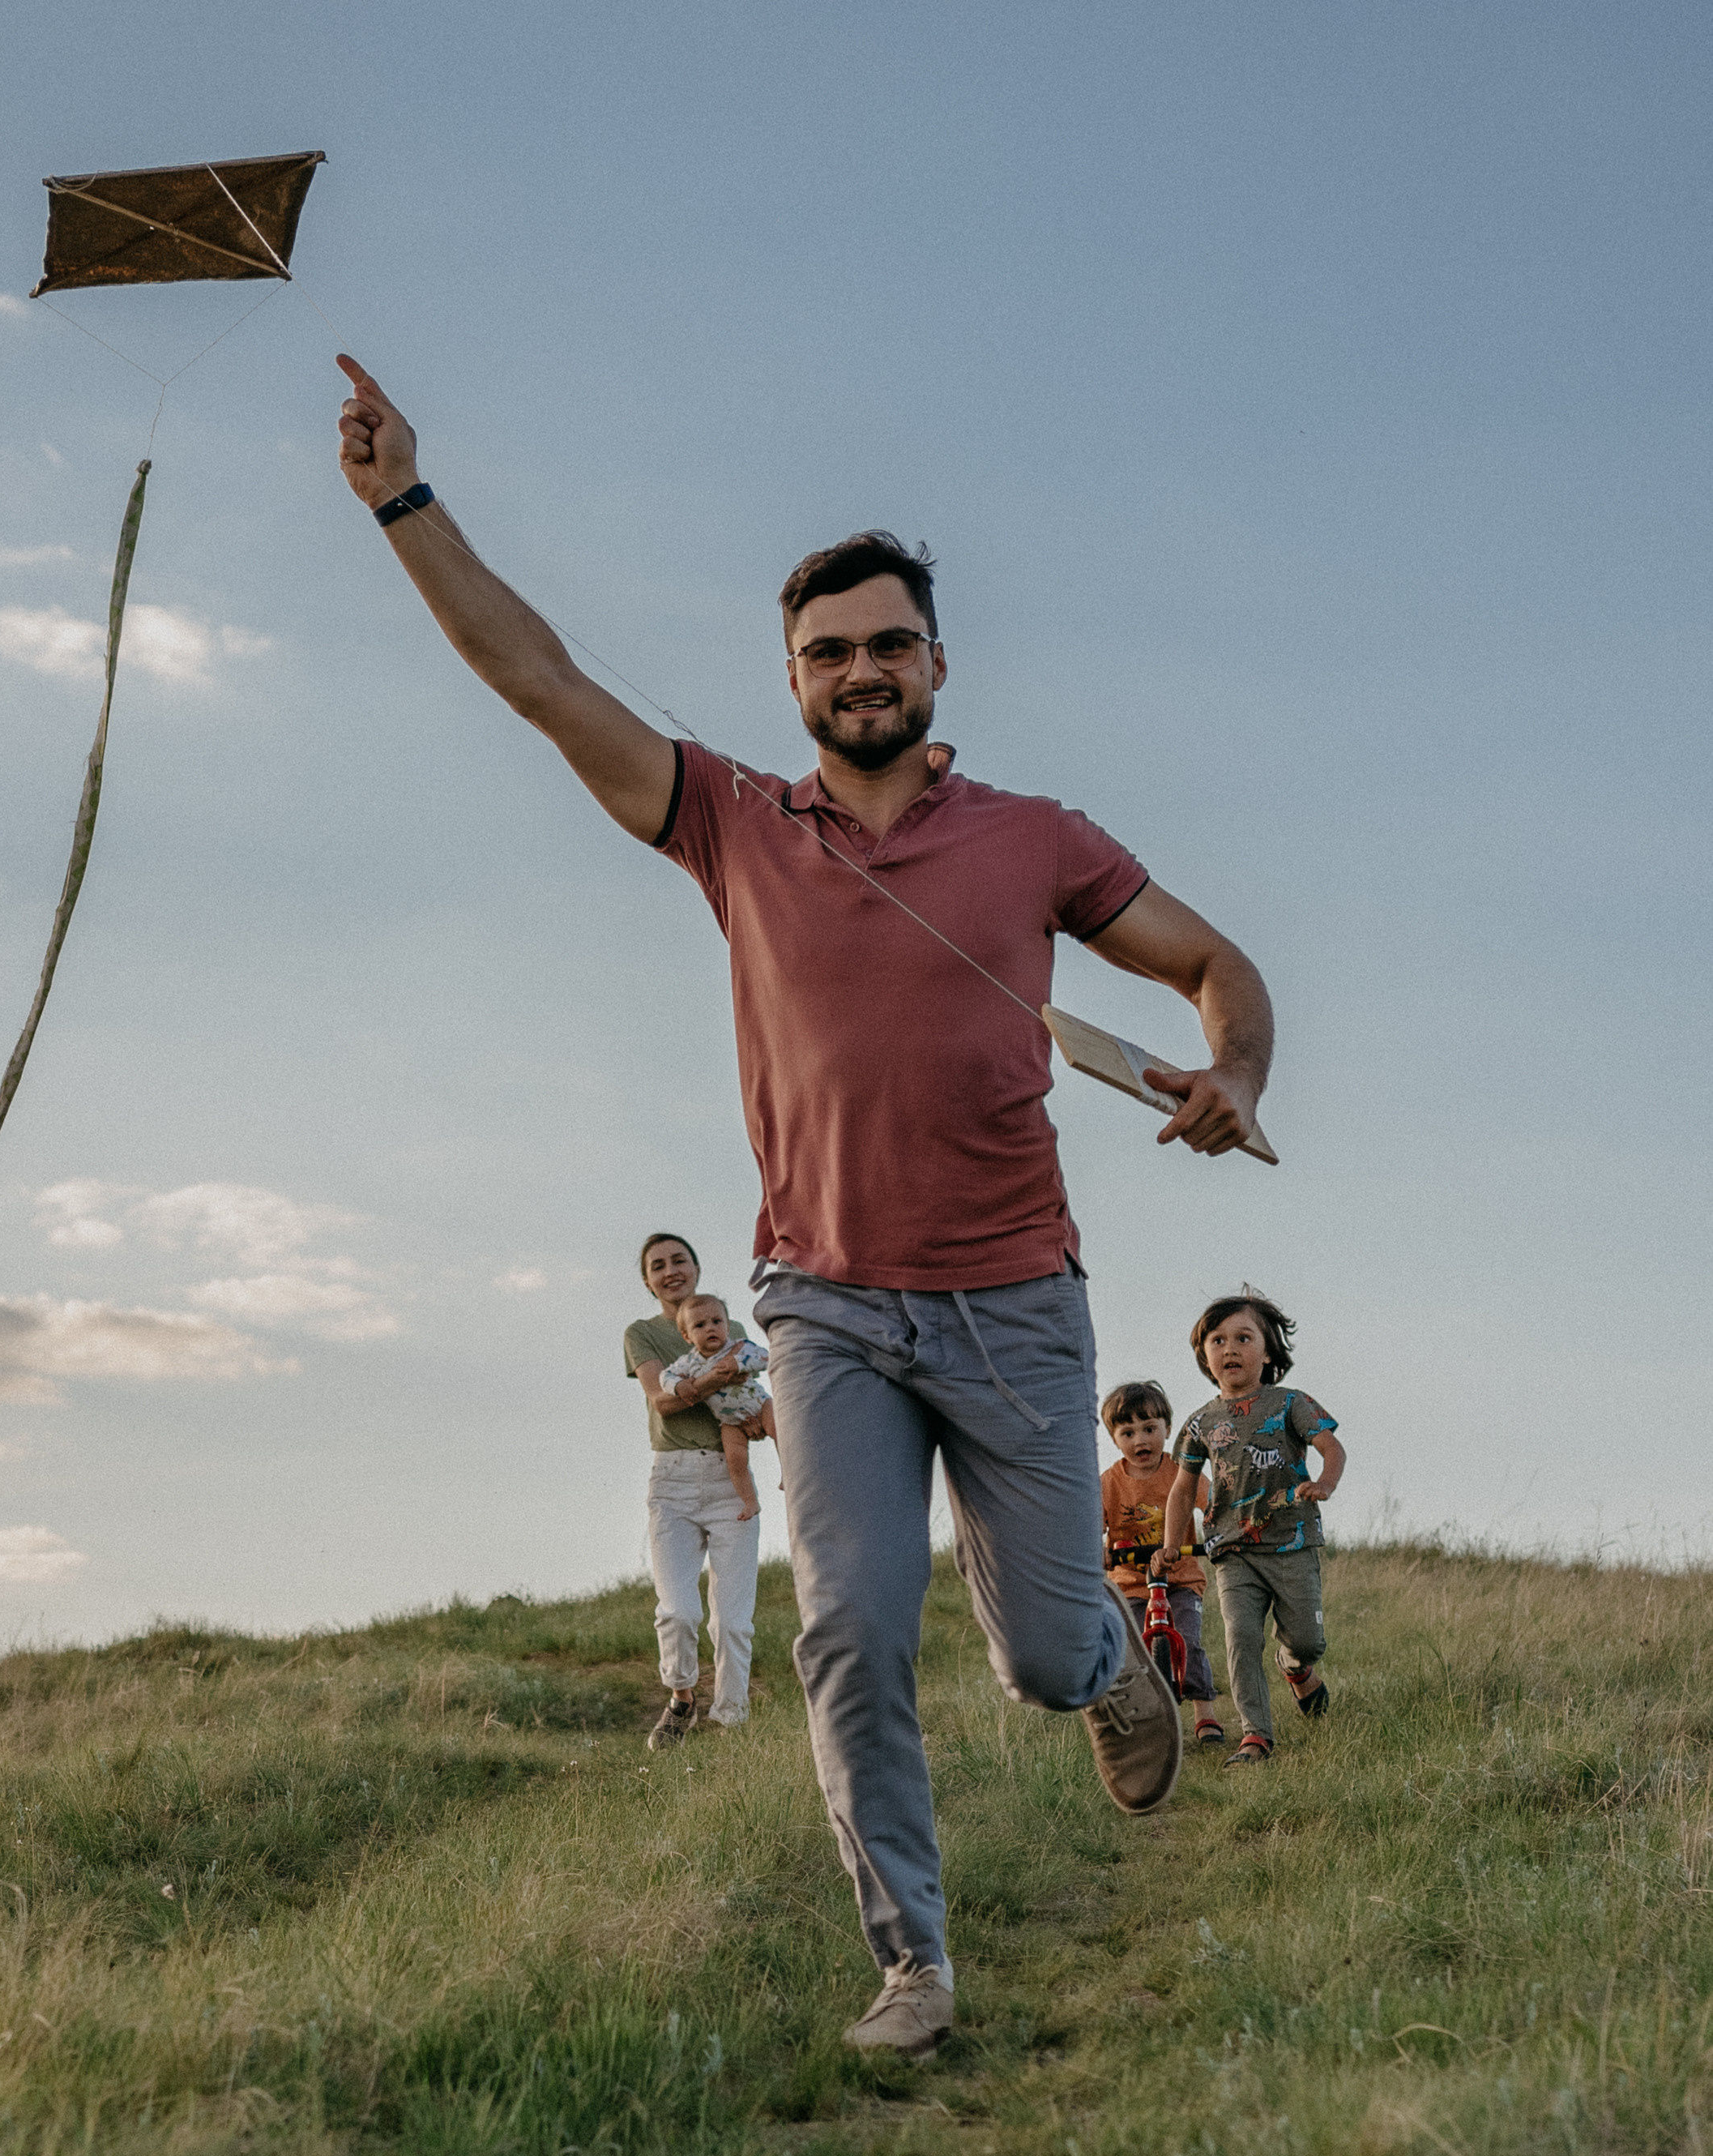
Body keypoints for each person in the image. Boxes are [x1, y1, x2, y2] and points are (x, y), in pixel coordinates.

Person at [337, 361, 1275, 2056]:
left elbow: (1214, 967)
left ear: (935, 662)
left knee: (1043, 1650)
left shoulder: (1036, 839)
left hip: (1012, 1304)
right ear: (792, 681)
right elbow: (535, 677)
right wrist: (408, 504)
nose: (861, 671)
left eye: (887, 644)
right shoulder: (730, 825)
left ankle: (1106, 1674)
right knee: (846, 1624)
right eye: (827, 652)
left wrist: (1237, 1076)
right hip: (823, 1303)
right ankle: (911, 1959)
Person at [1163, 1292, 1344, 1765]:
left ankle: (1295, 1665)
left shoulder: (1290, 1403)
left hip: (1292, 1544)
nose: (1230, 1349)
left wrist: (1324, 1484)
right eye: (1217, 1340)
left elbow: (1331, 1448)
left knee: (1306, 1639)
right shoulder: (1200, 1423)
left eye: (1244, 1338)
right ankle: (1255, 1737)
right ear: (1205, 1356)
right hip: (1232, 1551)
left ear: (1268, 1352)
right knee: (1241, 1639)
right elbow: (1183, 1490)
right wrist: (1170, 1545)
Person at [622, 1233, 763, 1747]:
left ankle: (731, 1722)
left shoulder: (734, 1327)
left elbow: (751, 1398)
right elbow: (662, 1400)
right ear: (648, 1281)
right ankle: (682, 1697)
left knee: (733, 1620)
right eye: (658, 1266)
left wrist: (752, 1416)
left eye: (679, 1260)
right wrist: (714, 1382)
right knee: (678, 1610)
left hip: (731, 1478)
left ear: (697, 1268)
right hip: (674, 1481)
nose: (670, 1270)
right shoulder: (642, 1333)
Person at [1100, 1380, 1224, 1746]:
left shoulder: (1181, 1472)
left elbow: (1213, 1504)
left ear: (1167, 1429)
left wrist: (1219, 1534)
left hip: (1181, 1577)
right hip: (1131, 1583)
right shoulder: (1109, 1483)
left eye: (1150, 1429)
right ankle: (1146, 1723)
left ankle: (1206, 1713)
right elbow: (1091, 1521)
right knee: (1134, 1652)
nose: (1141, 1440)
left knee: (1188, 1639)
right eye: (1128, 1432)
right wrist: (1098, 1551)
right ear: (1115, 1439)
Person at [661, 1290, 773, 1522]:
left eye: (716, 1322)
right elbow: (665, 1376)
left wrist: (740, 1363)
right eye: (700, 1325)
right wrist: (679, 1386)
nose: (710, 1328)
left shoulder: (740, 1347)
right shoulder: (690, 1362)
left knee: (781, 1432)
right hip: (730, 1421)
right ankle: (751, 1502)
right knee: (736, 1460)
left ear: (727, 1325)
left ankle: (789, 1473)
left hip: (761, 1406)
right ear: (687, 1336)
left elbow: (766, 1358)